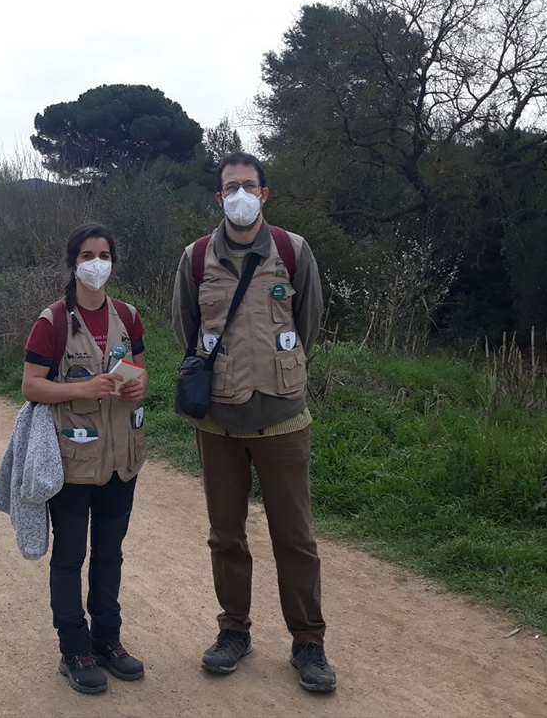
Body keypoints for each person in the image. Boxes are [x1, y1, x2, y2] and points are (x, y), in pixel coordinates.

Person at [170, 152, 335, 693]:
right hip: (218, 423)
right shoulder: (195, 259)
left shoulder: (292, 251)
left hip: (284, 420)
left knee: (296, 539)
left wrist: (277, 372)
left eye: (248, 185)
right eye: (230, 187)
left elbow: (308, 323)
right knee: (226, 537)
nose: (239, 194)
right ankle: (233, 632)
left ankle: (309, 643)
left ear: (264, 194)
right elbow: (187, 332)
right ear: (219, 199)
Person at [21, 222, 149, 695]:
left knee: (110, 554)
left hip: (122, 459)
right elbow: (31, 385)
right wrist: (79, 387)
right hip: (73, 460)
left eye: (105, 254)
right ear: (73, 262)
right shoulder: (52, 321)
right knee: (71, 557)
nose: (98, 263)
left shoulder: (128, 316)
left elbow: (140, 371)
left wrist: (139, 384)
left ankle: (108, 642)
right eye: (88, 255)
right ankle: (74, 650)